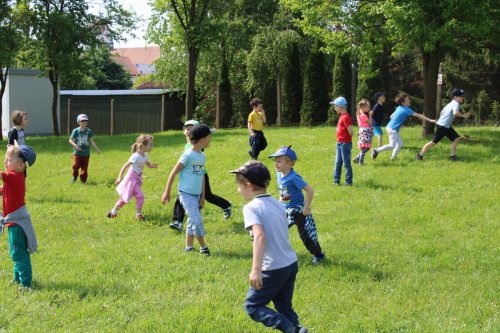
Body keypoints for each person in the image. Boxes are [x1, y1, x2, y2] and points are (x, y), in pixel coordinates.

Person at [230, 161, 308, 333]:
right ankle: (297, 330)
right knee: (284, 308)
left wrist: (256, 270)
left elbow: (259, 236)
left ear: (249, 186)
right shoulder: (278, 204)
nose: (238, 190)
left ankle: (290, 329)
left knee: (252, 306)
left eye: (239, 186)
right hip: (290, 263)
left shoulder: (251, 208)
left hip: (272, 268)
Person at [169, 120, 232, 231]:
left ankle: (226, 205)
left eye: (192, 128)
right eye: (187, 128)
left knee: (207, 196)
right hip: (190, 177)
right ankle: (178, 221)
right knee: (182, 196)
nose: (189, 130)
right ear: (184, 131)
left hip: (201, 175)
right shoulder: (187, 145)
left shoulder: (195, 146)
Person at [162, 124, 213, 256]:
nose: (210, 140)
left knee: (191, 220)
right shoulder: (188, 155)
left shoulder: (202, 156)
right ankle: (203, 247)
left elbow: (201, 176)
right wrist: (167, 192)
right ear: (202, 140)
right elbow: (173, 172)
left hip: (197, 195)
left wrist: (202, 196)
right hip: (186, 194)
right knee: (197, 220)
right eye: (209, 137)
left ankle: (188, 247)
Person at [269, 146, 325, 265]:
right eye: (275, 160)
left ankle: (319, 255)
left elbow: (310, 190)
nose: (276, 163)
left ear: (290, 163)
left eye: (279, 161)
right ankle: (276, 255)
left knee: (306, 236)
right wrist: (280, 204)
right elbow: (283, 192)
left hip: (298, 211)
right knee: (277, 231)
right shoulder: (279, 174)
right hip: (285, 210)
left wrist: (306, 208)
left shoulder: (294, 178)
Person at [0, 143, 37, 290]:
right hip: (13, 222)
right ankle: (18, 277)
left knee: (18, 253)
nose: (5, 162)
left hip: (17, 225)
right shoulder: (15, 178)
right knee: (16, 251)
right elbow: (3, 190)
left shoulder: (15, 177)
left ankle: (26, 283)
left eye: (8, 159)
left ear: (21, 165)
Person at [106, 135, 158, 220]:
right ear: (143, 146)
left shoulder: (145, 155)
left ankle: (113, 212)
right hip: (131, 179)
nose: (152, 147)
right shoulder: (136, 156)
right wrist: (119, 177)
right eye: (150, 145)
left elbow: (148, 164)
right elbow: (125, 166)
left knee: (125, 198)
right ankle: (138, 215)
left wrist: (153, 166)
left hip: (137, 179)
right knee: (140, 196)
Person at [372, 93, 436, 161]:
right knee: (392, 145)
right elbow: (418, 115)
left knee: (399, 143)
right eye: (407, 99)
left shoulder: (399, 107)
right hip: (392, 129)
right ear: (403, 102)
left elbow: (391, 116)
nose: (409, 100)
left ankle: (393, 158)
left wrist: (398, 123)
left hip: (391, 127)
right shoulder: (406, 109)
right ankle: (376, 150)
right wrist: (430, 120)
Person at [416, 88, 471, 161]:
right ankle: (419, 155)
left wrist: (443, 120)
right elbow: (455, 113)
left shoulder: (450, 103)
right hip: (442, 126)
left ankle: (453, 157)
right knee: (434, 142)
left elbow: (442, 112)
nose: (462, 97)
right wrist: (464, 115)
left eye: (462, 96)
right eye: (460, 96)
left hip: (445, 126)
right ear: (455, 97)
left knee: (456, 138)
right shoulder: (456, 103)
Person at [69, 114, 100, 183]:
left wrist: (96, 148)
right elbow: (70, 140)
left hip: (86, 153)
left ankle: (83, 180)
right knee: (75, 165)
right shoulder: (76, 131)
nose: (84, 122)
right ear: (78, 122)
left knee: (84, 168)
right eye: (82, 120)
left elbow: (92, 141)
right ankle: (74, 176)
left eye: (86, 120)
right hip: (77, 153)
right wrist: (75, 146)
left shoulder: (89, 131)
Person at [331, 96, 354, 186]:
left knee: (346, 163)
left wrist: (345, 138)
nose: (334, 108)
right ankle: (336, 181)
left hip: (345, 144)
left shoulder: (345, 117)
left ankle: (348, 182)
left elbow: (351, 132)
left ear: (340, 107)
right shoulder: (342, 116)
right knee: (338, 163)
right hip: (339, 143)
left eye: (335, 106)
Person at [353, 100, 373, 165]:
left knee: (366, 147)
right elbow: (370, 123)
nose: (369, 108)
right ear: (363, 107)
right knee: (364, 148)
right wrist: (370, 115)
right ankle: (360, 162)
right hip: (365, 132)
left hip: (363, 131)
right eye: (368, 107)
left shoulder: (359, 114)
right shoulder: (363, 115)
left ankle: (357, 158)